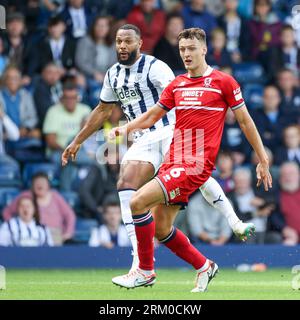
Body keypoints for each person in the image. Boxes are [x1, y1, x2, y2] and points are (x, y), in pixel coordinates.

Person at [62, 24, 253, 277]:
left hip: (173, 129)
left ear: (139, 44)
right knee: (126, 183)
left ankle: (233, 221)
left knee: (199, 175)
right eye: (119, 41)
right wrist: (78, 141)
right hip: (143, 137)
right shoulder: (112, 75)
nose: (122, 46)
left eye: (128, 41)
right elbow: (102, 110)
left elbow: (180, 95)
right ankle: (138, 262)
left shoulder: (156, 67)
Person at [109, 27, 272, 292]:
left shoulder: (223, 82)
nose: (186, 54)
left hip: (194, 164)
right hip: (173, 160)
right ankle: (204, 266)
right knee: (161, 229)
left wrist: (262, 159)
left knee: (137, 202)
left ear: (204, 49)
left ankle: (144, 271)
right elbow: (152, 116)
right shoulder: (177, 84)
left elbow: (245, 121)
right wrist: (125, 129)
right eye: (182, 49)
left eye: (191, 48)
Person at [3, 172, 76, 245]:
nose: (40, 184)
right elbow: (6, 212)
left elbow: (70, 215)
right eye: (37, 182)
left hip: (54, 234)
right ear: (32, 186)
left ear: (48, 185)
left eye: (43, 182)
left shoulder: (55, 196)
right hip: (33, 234)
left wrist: (68, 233)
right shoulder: (26, 196)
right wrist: (15, 226)